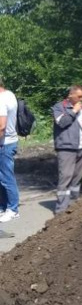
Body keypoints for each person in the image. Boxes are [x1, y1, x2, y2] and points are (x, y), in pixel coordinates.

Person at [52, 85, 82, 215]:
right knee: (66, 177)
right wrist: (73, 111)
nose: (81, 99)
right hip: (66, 148)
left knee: (77, 178)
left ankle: (73, 206)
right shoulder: (59, 107)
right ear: (71, 95)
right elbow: (62, 123)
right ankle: (61, 211)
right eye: (79, 96)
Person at [0, 77, 21, 223]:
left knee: (6, 177)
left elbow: (1, 126)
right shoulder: (10, 94)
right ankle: (4, 207)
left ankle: (13, 209)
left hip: (4, 143)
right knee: (2, 177)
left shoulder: (1, 99)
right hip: (11, 140)